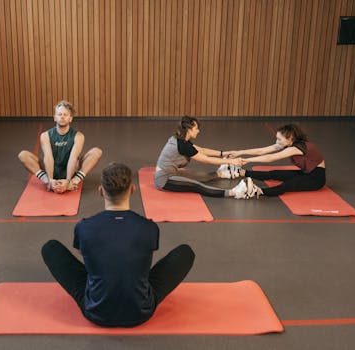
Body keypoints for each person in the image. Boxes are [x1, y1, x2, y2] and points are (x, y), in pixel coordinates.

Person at [41, 163, 195, 327]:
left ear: (101, 191)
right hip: (141, 311)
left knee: (50, 248)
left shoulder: (84, 226)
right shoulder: (148, 227)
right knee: (185, 253)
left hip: (95, 311)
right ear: (132, 190)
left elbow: (82, 252)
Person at [154, 116, 258, 198]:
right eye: (196, 128)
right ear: (189, 129)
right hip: (164, 180)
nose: (198, 131)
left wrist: (224, 153)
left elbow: (202, 150)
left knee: (201, 176)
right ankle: (235, 193)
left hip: (172, 172)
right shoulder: (183, 145)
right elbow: (206, 160)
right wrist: (232, 162)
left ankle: (222, 174)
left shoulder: (181, 140)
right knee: (197, 186)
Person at [18, 100, 102, 194]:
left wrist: (68, 180)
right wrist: (50, 179)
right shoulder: (45, 135)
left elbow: (73, 158)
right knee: (23, 155)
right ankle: (47, 181)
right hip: (51, 169)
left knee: (96, 152)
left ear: (70, 118)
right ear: (55, 117)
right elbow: (48, 157)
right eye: (59, 114)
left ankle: (74, 182)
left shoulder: (79, 136)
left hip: (70, 170)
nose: (62, 117)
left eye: (65, 115)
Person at [222, 123, 326, 198]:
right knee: (275, 173)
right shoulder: (288, 143)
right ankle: (241, 172)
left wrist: (247, 160)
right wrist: (239, 152)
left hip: (316, 179)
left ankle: (257, 191)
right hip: (306, 173)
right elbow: (262, 151)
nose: (277, 142)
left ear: (290, 138)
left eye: (279, 139)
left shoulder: (296, 148)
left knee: (287, 185)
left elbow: (271, 158)